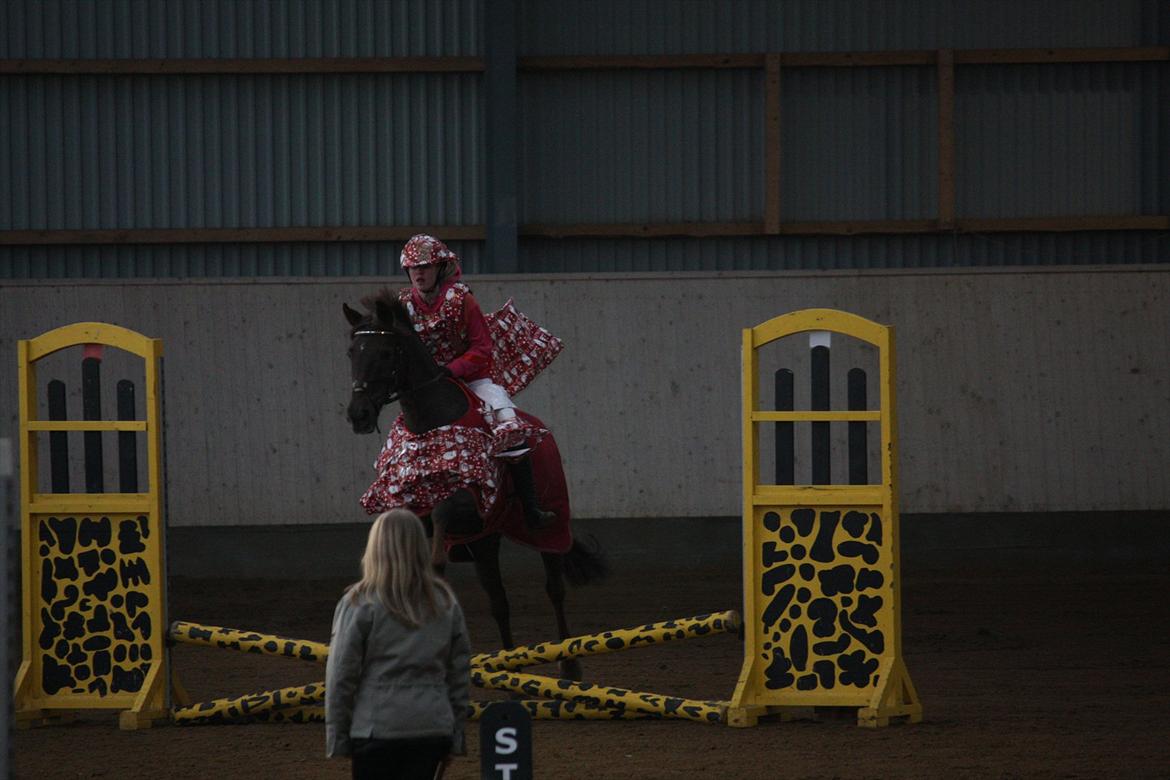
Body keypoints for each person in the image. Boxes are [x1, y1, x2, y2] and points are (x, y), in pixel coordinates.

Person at [396, 233, 556, 530]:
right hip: (429, 389)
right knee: (402, 438)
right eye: (413, 268)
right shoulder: (404, 304)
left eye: (425, 267)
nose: (418, 273)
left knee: (510, 424)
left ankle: (530, 506)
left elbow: (482, 349)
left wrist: (451, 369)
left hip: (473, 381)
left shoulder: (462, 300)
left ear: (439, 268)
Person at [325, 509, 471, 779]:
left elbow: (341, 676)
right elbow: (459, 675)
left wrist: (338, 738)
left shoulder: (357, 603)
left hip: (375, 729)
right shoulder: (445, 602)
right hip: (431, 727)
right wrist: (455, 736)